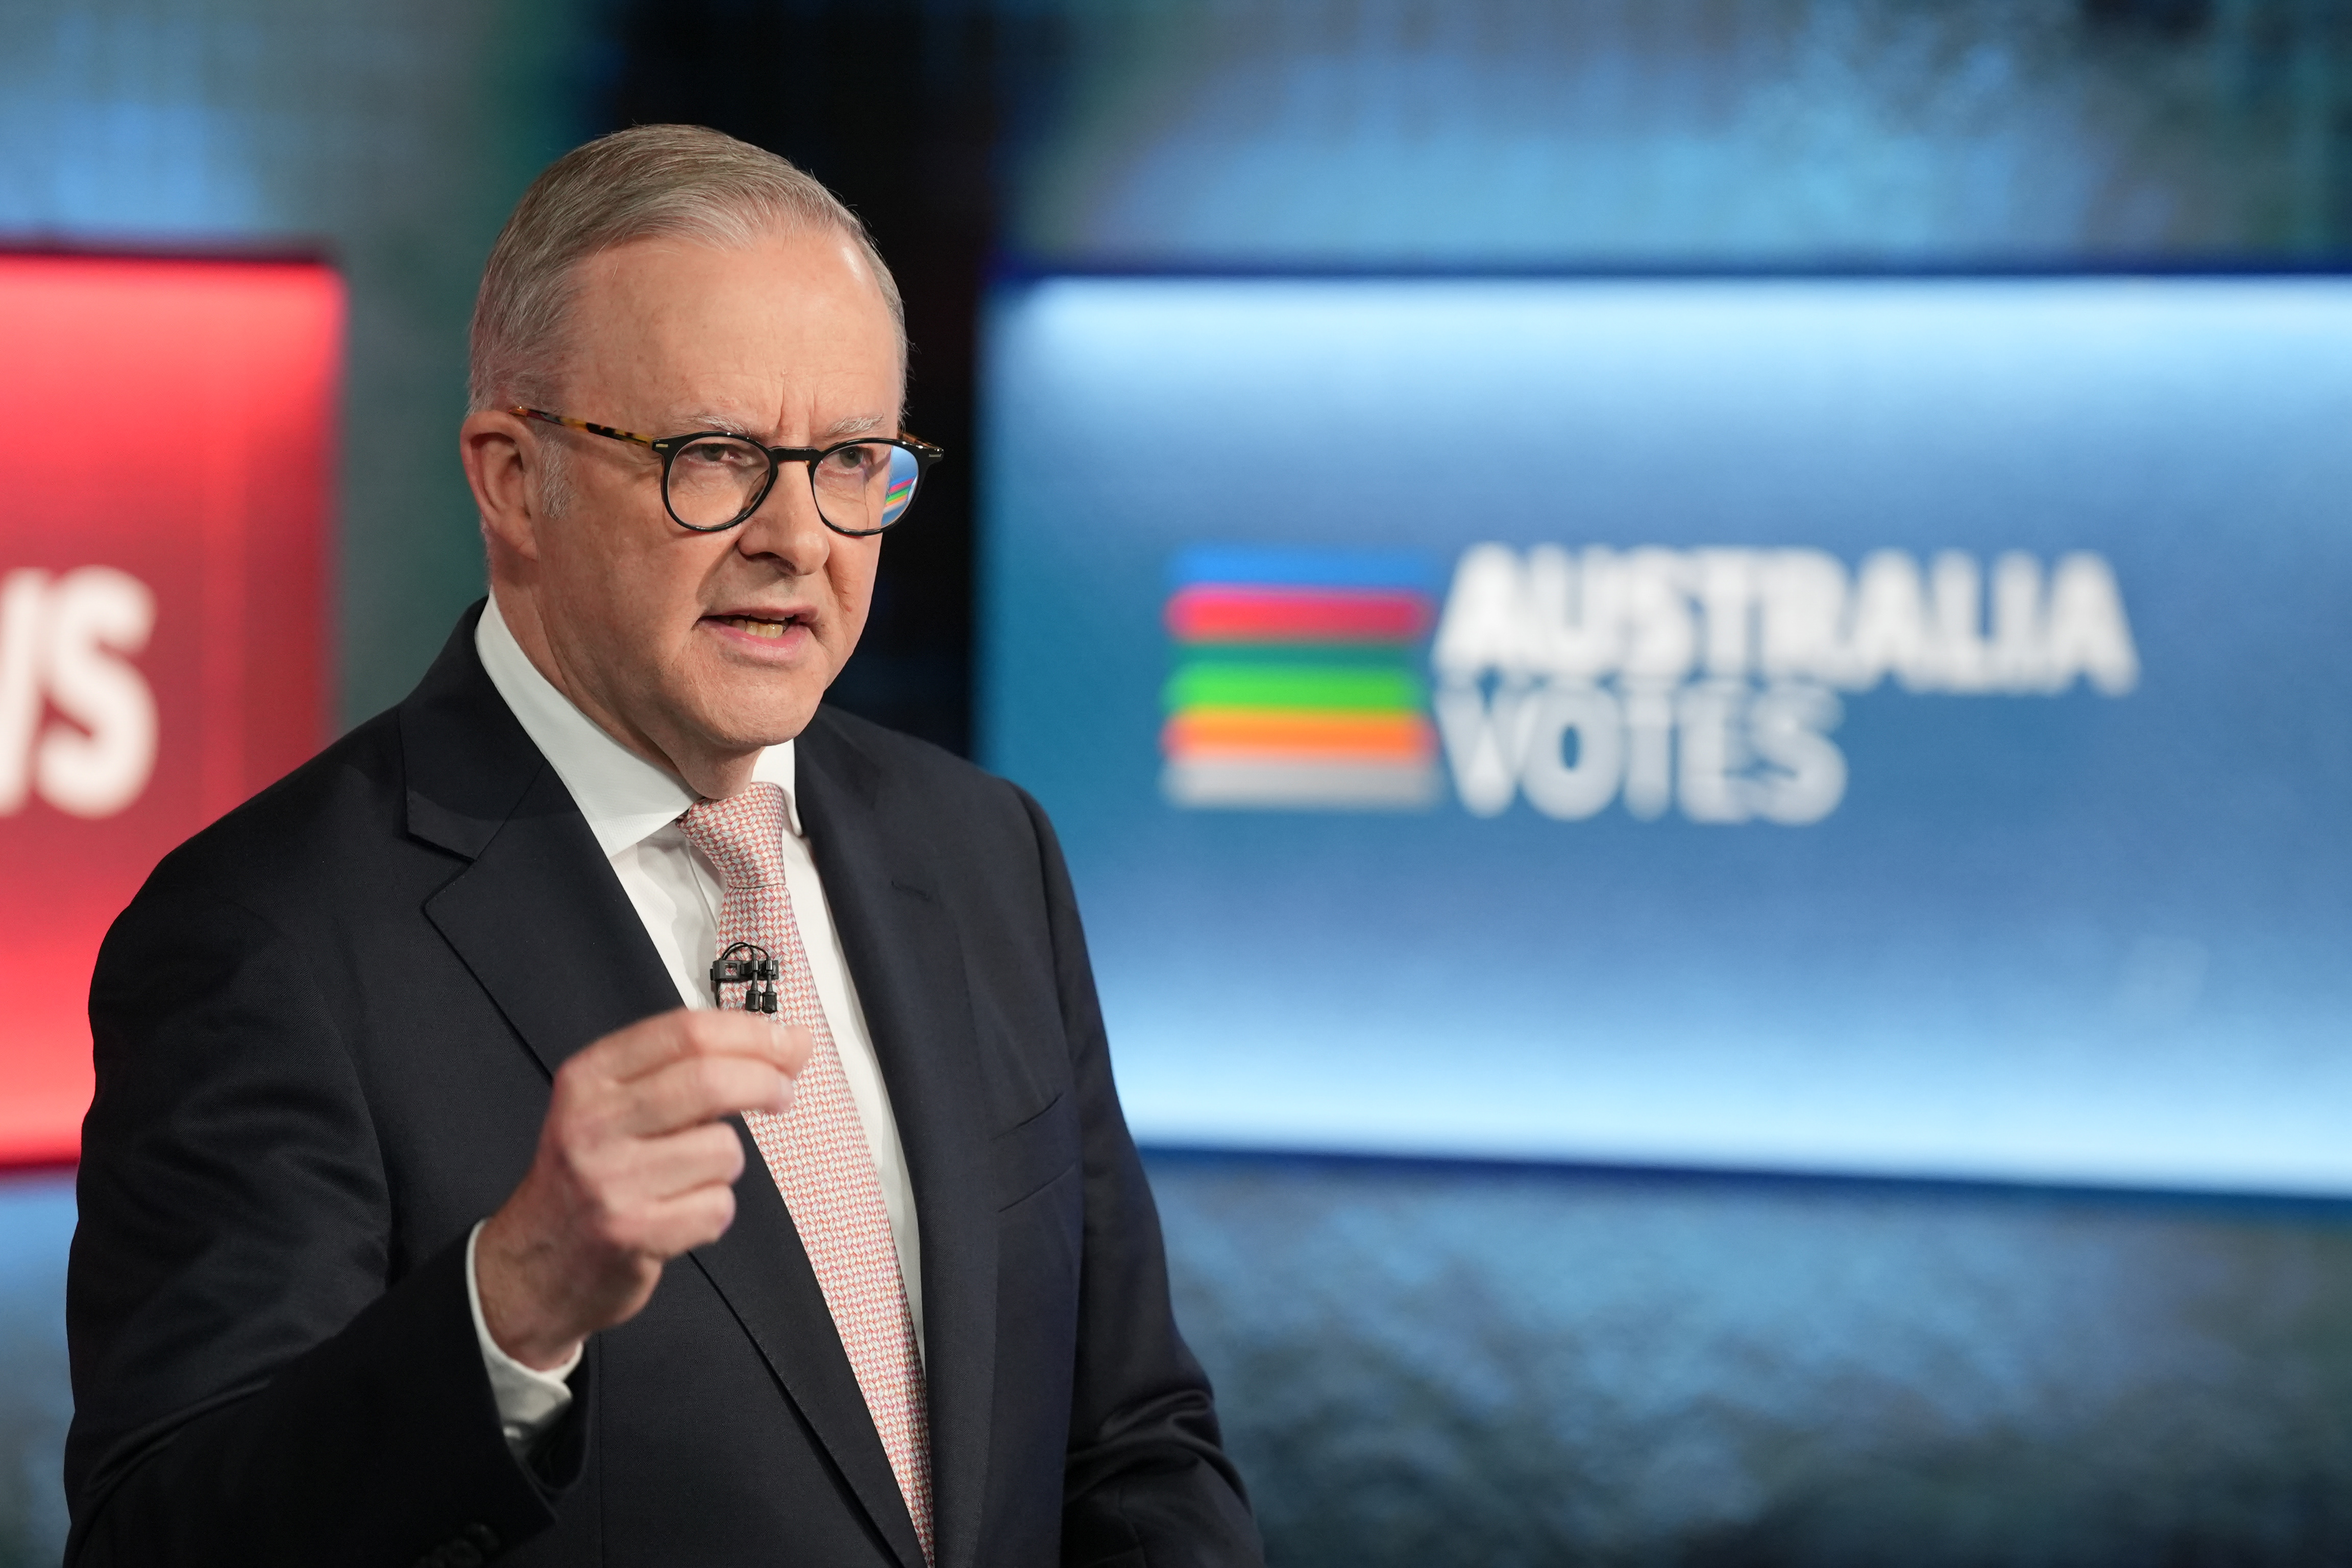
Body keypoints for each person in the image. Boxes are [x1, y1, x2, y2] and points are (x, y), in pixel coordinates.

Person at [63, 124, 1262, 1568]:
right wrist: (509, 1309)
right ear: (513, 479)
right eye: (716, 458)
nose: (797, 539)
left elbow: (1133, 1443)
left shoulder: (986, 852)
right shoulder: (269, 937)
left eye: (853, 462)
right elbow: (160, 1538)